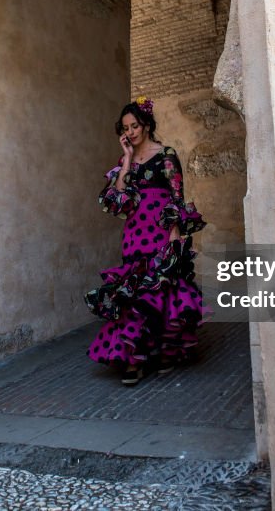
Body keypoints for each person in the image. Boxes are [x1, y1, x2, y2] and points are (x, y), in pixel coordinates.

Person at [84, 96, 210, 385]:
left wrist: (175, 234)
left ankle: (166, 352)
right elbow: (118, 201)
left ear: (146, 124)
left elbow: (176, 197)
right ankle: (134, 359)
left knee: (164, 289)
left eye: (135, 126)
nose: (130, 132)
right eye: (125, 128)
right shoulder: (124, 161)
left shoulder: (166, 154)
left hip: (160, 230)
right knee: (134, 293)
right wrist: (126, 161)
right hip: (135, 232)